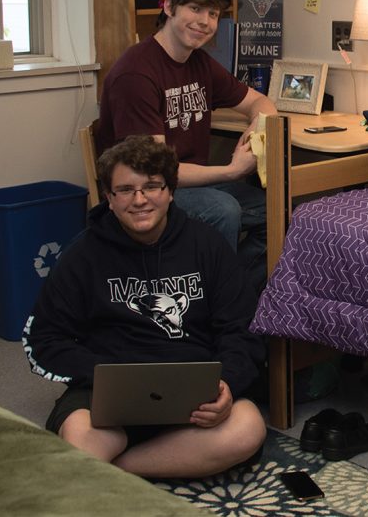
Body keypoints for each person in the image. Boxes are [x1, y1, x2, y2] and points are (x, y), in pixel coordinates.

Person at [22, 136, 266, 478]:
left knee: (247, 428)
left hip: (192, 395)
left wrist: (227, 384)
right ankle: (127, 462)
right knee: (80, 436)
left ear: (169, 191)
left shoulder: (206, 245)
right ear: (109, 197)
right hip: (108, 394)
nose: (139, 200)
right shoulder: (83, 254)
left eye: (151, 186)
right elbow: (45, 338)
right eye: (125, 189)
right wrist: (102, 374)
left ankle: (117, 473)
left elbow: (241, 327)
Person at [96, 0, 277, 291]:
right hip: (145, 188)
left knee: (277, 208)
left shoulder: (200, 64)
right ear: (169, 8)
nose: (204, 21)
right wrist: (232, 171)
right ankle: (211, 309)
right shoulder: (136, 73)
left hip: (191, 183)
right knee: (224, 210)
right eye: (195, 9)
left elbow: (261, 102)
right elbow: (153, 170)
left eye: (213, 14)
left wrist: (254, 131)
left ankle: (230, 294)